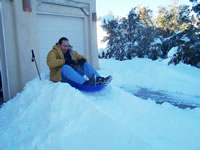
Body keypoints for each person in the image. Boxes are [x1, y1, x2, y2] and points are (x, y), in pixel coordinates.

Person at [47, 37, 111, 85]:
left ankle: (98, 79)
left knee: (84, 64)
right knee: (65, 67)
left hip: (73, 75)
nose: (66, 48)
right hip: (60, 76)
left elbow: (82, 57)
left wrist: (82, 60)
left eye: (67, 46)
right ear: (59, 45)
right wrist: (64, 61)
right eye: (64, 46)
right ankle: (84, 82)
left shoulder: (71, 52)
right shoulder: (53, 53)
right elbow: (51, 63)